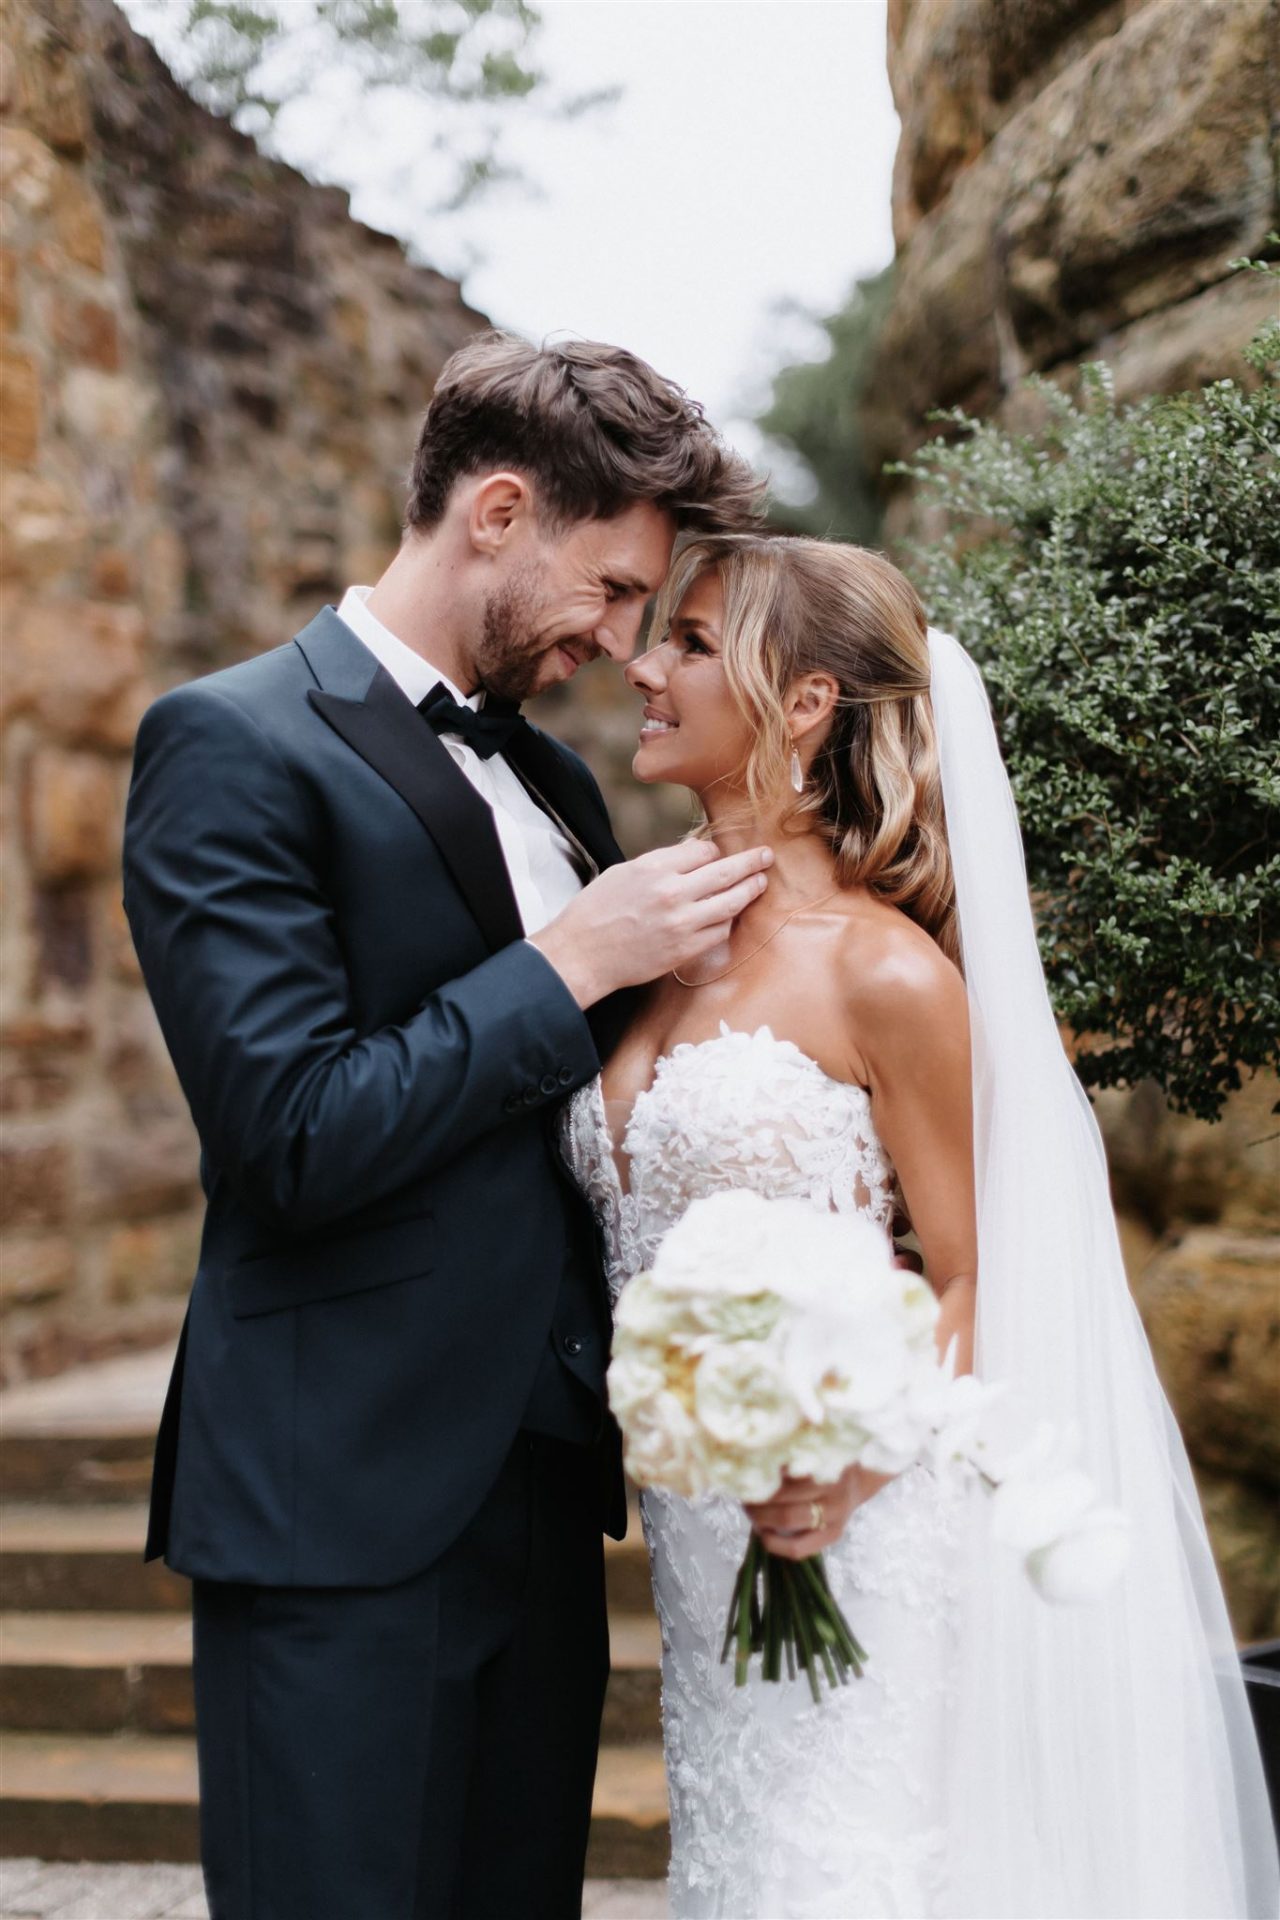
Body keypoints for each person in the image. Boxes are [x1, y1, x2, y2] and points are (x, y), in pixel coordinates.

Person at [122, 332, 772, 1920]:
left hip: (547, 1497)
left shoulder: (556, 785)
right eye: (612, 590)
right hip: (336, 1504)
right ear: (496, 513)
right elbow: (291, 1134)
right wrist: (570, 965)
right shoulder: (229, 743)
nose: (618, 643)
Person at [557, 532, 1279, 1919]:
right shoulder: (639, 938)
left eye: (691, 644)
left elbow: (969, 1281)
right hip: (699, 1547)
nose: (642, 668)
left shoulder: (885, 974)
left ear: (805, 703)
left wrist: (848, 1463)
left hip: (854, 1531)